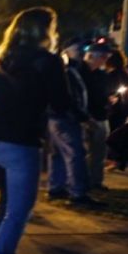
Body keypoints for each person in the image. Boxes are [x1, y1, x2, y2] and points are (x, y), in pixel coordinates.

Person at [0, 7, 69, 254]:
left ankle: (2, 243)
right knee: (21, 208)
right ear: (44, 30)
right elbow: (61, 104)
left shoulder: (1, 61)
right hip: (20, 141)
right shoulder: (47, 61)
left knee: (7, 200)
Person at [46, 39, 104, 208]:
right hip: (65, 117)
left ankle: (56, 187)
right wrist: (84, 117)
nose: (80, 52)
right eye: (77, 49)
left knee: (58, 153)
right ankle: (78, 193)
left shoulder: (67, 69)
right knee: (76, 153)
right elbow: (70, 98)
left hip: (57, 117)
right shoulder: (66, 71)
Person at [78, 42, 112, 191]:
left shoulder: (102, 74)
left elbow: (103, 93)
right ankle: (81, 181)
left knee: (99, 151)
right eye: (103, 57)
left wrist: (109, 99)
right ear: (92, 56)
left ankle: (95, 181)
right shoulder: (79, 72)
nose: (105, 60)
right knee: (82, 151)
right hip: (85, 116)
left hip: (101, 115)